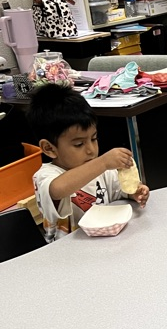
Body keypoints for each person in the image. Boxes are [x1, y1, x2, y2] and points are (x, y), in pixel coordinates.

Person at [26, 82, 149, 243]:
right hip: (67, 251)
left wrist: (135, 192)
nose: (91, 150)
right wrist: (103, 162)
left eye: (94, 138)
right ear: (49, 148)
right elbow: (57, 190)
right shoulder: (45, 175)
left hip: (108, 241)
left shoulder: (103, 170)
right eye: (79, 144)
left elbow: (120, 192)